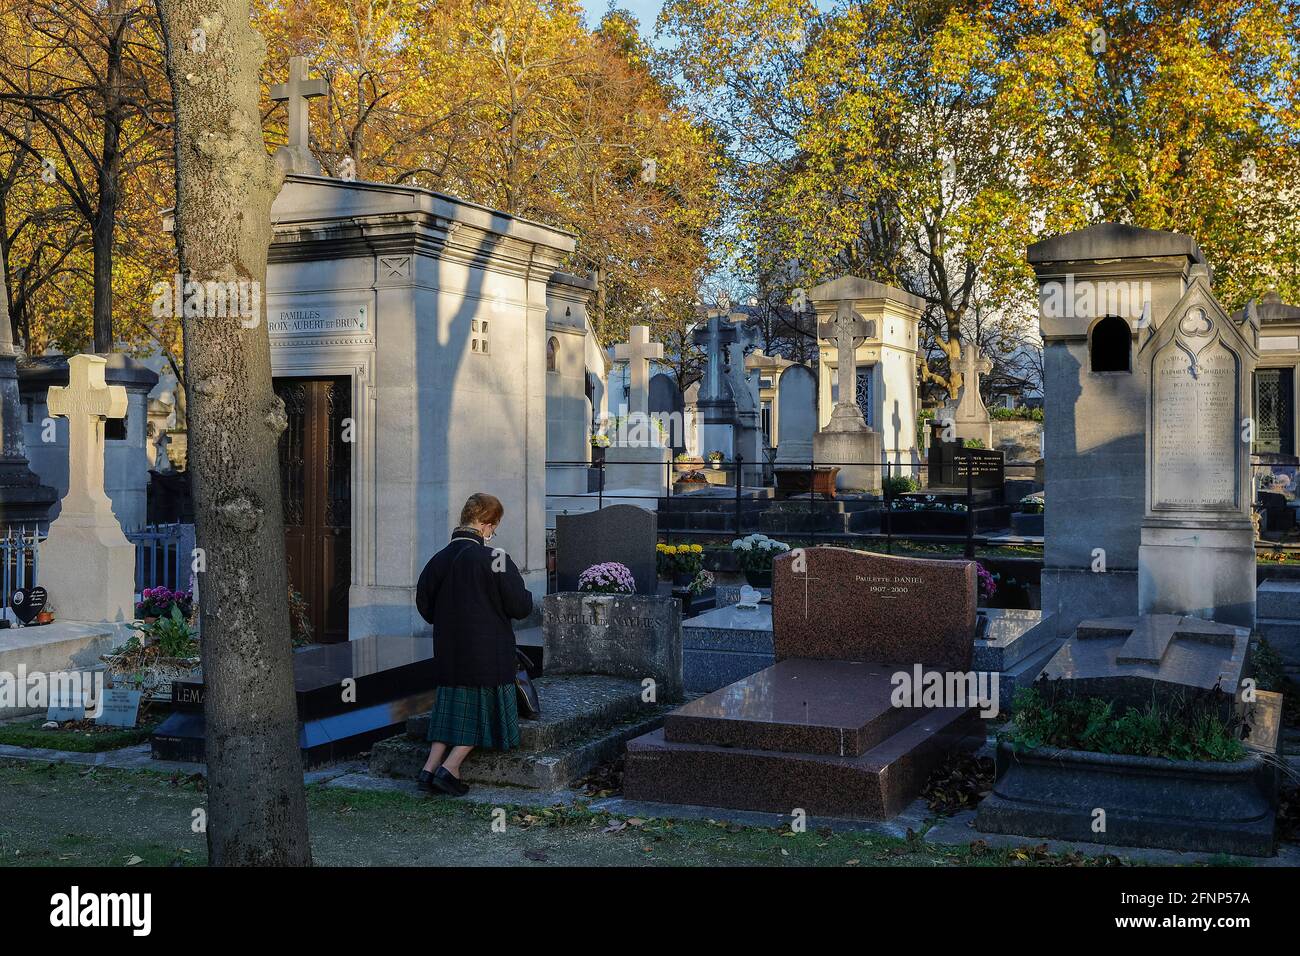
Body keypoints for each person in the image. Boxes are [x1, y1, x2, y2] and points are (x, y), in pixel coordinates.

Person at [415, 492, 533, 796]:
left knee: (451, 709)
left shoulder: (438, 559)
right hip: (488, 654)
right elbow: (520, 606)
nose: (493, 532)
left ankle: (428, 768)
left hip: (449, 654)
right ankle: (450, 767)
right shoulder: (493, 558)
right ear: (486, 524)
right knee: (483, 713)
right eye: (494, 526)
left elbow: (424, 606)